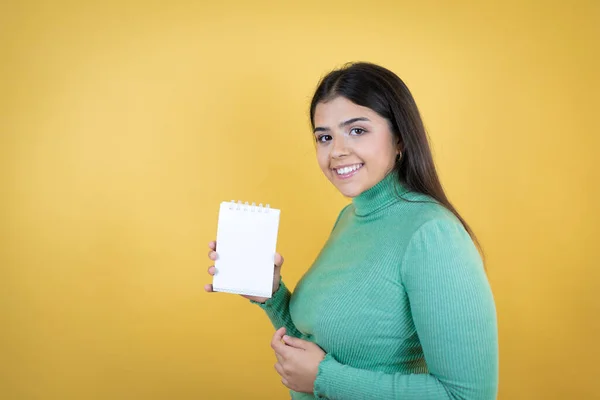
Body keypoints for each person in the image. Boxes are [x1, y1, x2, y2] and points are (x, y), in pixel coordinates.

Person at [205, 62, 498, 399]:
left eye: (357, 130)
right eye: (324, 137)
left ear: (400, 137)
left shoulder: (432, 235)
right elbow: (320, 346)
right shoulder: (349, 218)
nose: (337, 151)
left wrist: (324, 378)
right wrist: (271, 296)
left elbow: (469, 395)